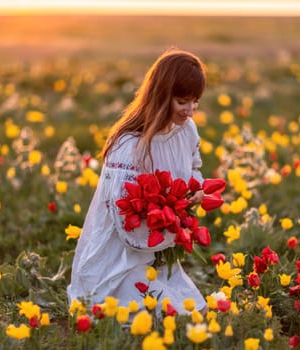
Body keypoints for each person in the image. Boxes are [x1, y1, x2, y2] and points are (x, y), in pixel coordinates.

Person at [67, 48, 207, 316]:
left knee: (192, 311)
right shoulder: (129, 146)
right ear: (162, 97)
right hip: (120, 257)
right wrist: (171, 229)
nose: (190, 111)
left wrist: (194, 191)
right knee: (147, 314)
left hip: (158, 252)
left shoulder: (186, 130)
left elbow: (194, 168)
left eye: (195, 101)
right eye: (182, 102)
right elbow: (126, 226)